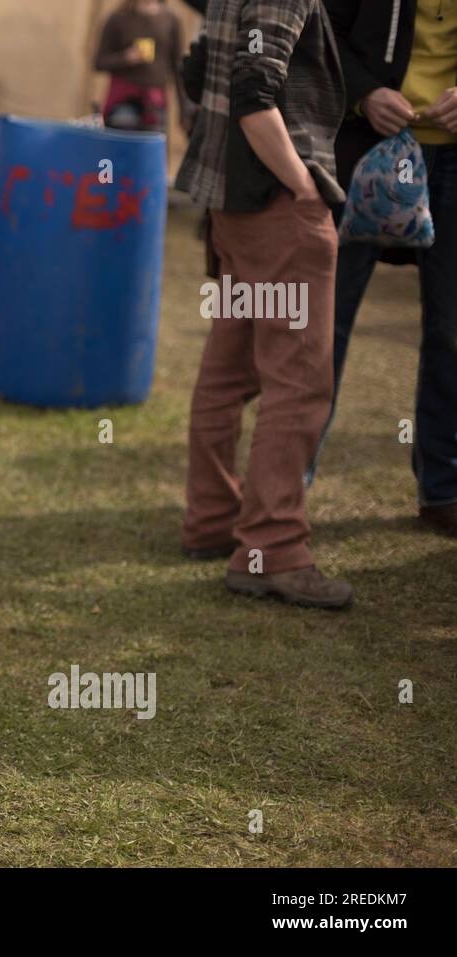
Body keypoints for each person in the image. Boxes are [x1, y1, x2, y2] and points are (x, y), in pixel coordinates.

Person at [176, 0, 353, 608]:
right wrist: (304, 189)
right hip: (276, 204)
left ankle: (212, 522)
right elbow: (256, 94)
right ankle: (271, 551)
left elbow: (197, 70)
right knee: (298, 383)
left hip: (236, 205)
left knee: (228, 372)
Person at [307, 0, 457, 538]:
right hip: (363, 152)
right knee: (327, 321)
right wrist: (365, 92)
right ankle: (287, 487)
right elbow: (317, 27)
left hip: (453, 163)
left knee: (451, 331)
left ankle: (443, 489)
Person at [94, 0, 185, 134]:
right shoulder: (118, 19)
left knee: (151, 150)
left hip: (155, 101)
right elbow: (99, 62)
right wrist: (126, 58)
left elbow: (179, 68)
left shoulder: (170, 21)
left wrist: (185, 108)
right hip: (124, 99)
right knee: (121, 149)